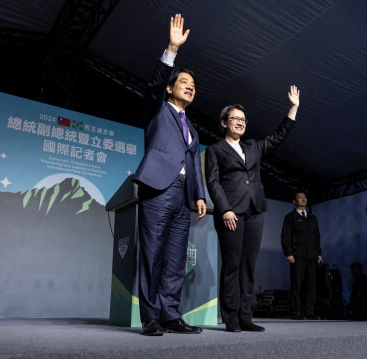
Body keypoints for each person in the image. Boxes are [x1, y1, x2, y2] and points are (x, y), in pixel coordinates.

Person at [132, 14, 207, 336]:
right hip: (158, 189)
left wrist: (200, 194)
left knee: (176, 259)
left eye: (193, 86)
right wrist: (171, 50)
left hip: (183, 196)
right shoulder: (157, 109)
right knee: (152, 254)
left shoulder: (193, 129)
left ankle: (170, 315)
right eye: (184, 84)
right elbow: (152, 86)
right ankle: (149, 316)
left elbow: (194, 164)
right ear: (169, 89)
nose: (190, 88)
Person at [205, 86, 300, 332]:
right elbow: (213, 183)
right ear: (224, 123)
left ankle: (245, 317)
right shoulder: (215, 150)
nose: (240, 122)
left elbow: (279, 136)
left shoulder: (253, 147)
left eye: (243, 120)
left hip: (255, 210)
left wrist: (293, 108)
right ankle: (231, 318)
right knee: (232, 264)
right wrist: (224, 209)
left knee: (248, 265)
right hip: (230, 212)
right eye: (235, 119)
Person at [281, 191, 322, 320]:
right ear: (294, 201)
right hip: (297, 255)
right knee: (296, 284)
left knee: (312, 285)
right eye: (300, 198)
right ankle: (295, 311)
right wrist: (289, 253)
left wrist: (319, 252)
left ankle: (309, 311)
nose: (303, 199)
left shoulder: (312, 217)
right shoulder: (290, 217)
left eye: (305, 197)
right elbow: (285, 236)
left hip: (312, 256)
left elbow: (317, 237)